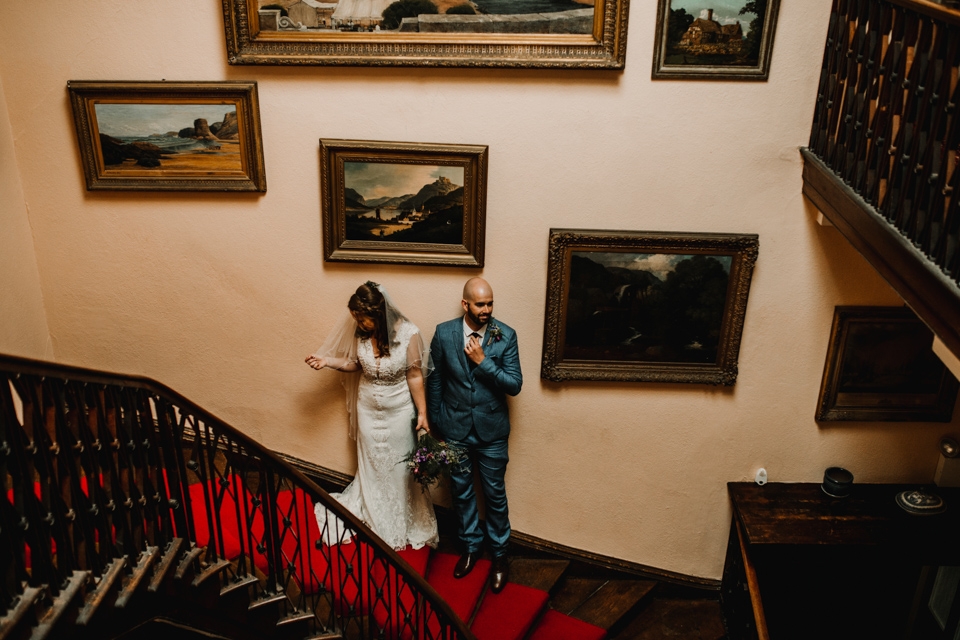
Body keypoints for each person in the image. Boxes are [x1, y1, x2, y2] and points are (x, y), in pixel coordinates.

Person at [305, 281, 438, 551]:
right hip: (367, 408)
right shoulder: (362, 334)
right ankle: (372, 512)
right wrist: (327, 361)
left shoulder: (409, 334)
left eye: (362, 318)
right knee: (372, 463)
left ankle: (398, 520)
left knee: (399, 467)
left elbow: (414, 375)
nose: (358, 323)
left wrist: (422, 414)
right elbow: (357, 364)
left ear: (377, 314)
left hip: (399, 410)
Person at [426, 277, 522, 593]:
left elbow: (514, 384)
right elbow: (436, 380)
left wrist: (482, 363)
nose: (487, 310)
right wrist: (437, 420)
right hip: (454, 429)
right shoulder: (444, 333)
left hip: (492, 432)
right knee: (461, 491)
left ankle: (499, 556)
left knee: (494, 495)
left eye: (490, 303)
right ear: (465, 303)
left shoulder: (505, 336)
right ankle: (470, 548)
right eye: (480, 304)